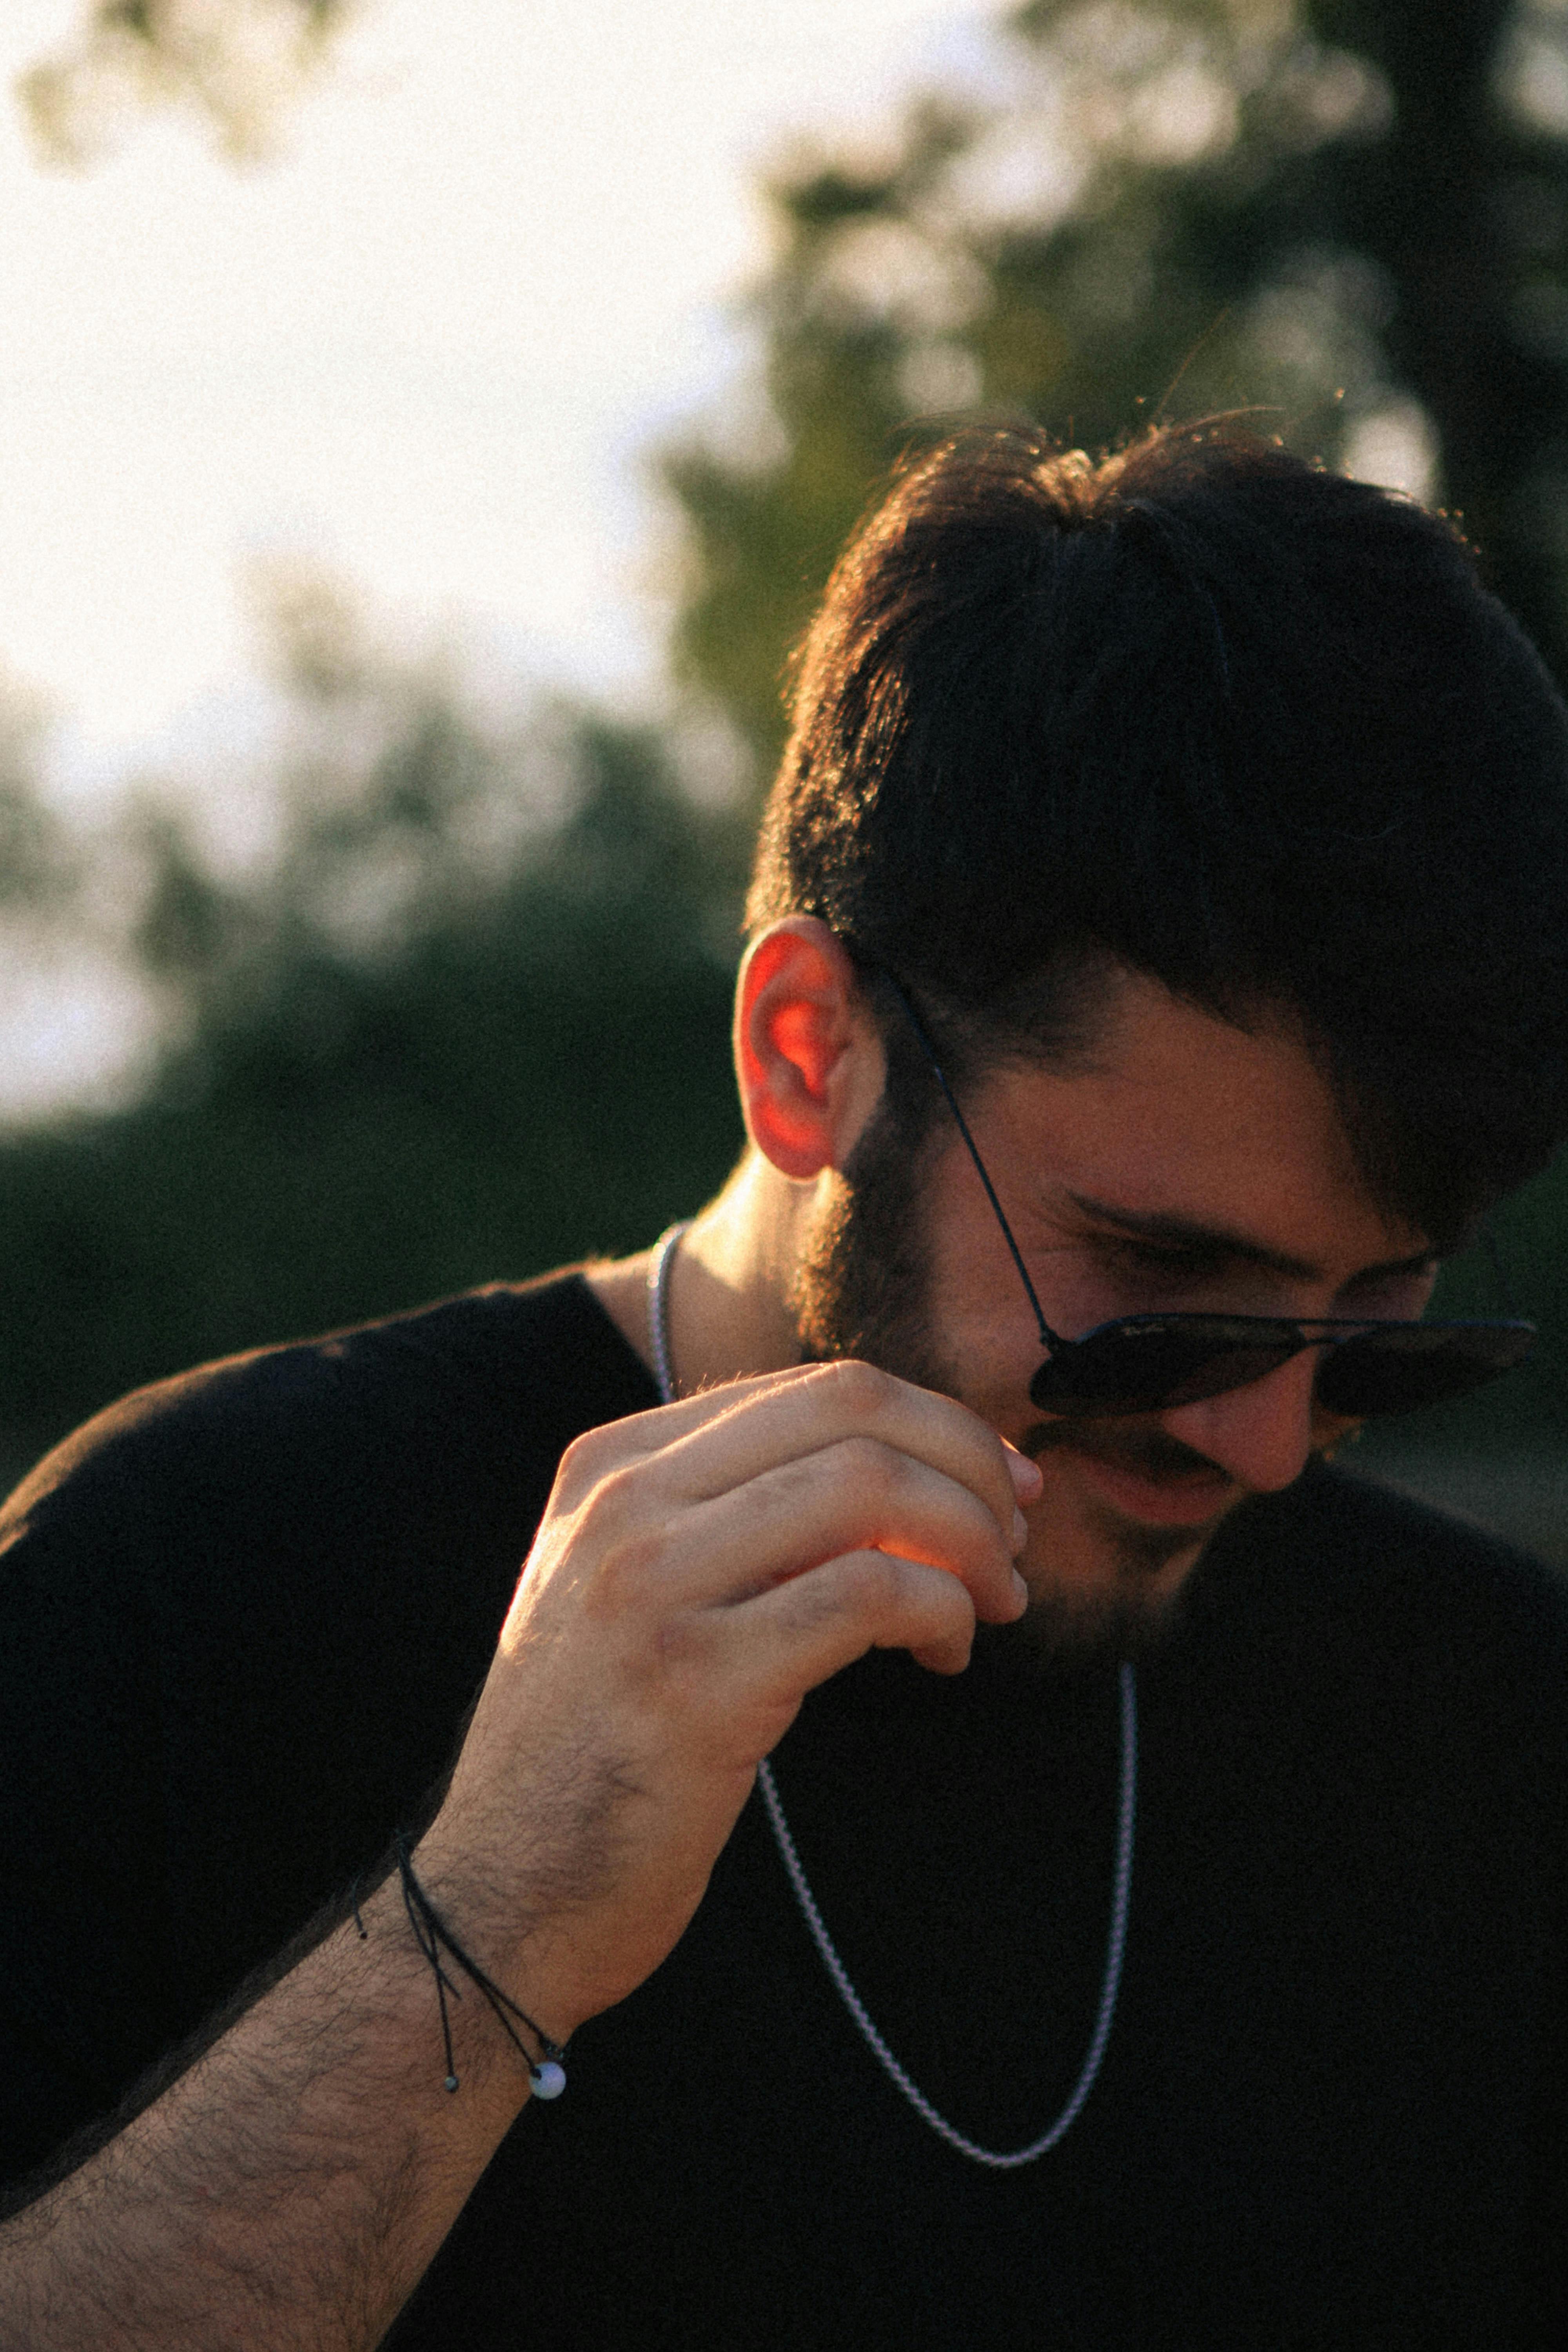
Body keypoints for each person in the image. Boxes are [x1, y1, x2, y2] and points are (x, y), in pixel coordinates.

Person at [3, 419, 1568, 2350]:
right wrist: (489, 1919)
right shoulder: (191, 1585)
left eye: (1381, 1330)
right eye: (1166, 1293)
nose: (1259, 1443)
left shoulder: (1489, 1722)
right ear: (809, 1052)